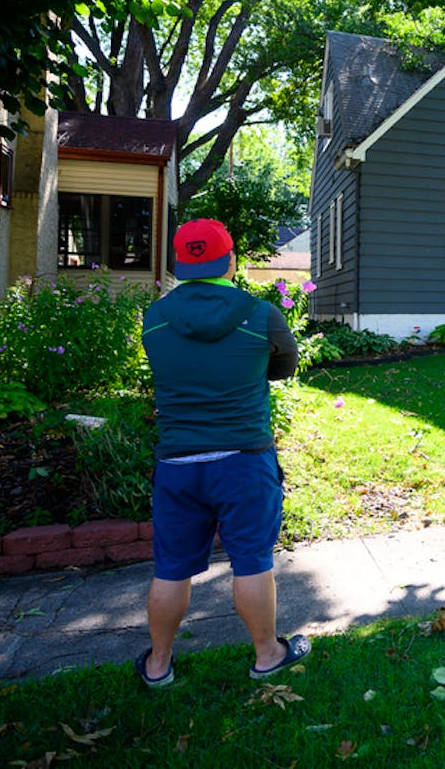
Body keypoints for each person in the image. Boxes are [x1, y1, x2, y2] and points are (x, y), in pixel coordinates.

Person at [135, 218, 308, 688]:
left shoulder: (156, 317)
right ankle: (268, 655)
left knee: (171, 567)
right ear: (229, 260)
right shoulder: (262, 313)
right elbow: (284, 367)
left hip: (177, 463)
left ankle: (158, 665)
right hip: (244, 460)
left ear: (180, 264)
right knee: (252, 559)